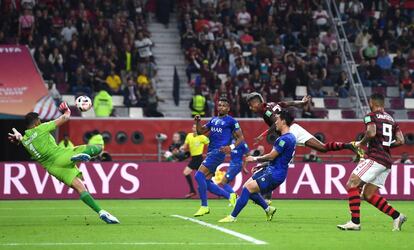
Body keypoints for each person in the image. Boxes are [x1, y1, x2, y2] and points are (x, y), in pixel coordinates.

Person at [7, 103, 119, 224]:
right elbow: (65, 118)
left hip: (53, 168)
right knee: (98, 148)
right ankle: (76, 158)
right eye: (39, 120)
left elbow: (21, 139)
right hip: (60, 157)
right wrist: (66, 110)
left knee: (80, 187)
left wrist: (18, 139)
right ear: (36, 122)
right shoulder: (41, 128)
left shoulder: (25, 141)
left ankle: (101, 212)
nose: (40, 122)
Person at [337, 93, 406, 231]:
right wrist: (385, 145)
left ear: (371, 102)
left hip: (375, 158)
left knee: (352, 183)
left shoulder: (371, 116)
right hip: (386, 161)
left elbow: (371, 133)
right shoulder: (392, 120)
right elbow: (401, 141)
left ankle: (355, 222)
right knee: (368, 195)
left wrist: (360, 143)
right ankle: (397, 216)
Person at [218, 110, 296, 222]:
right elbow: (279, 158)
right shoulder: (291, 137)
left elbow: (271, 156)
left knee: (248, 189)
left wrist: (254, 159)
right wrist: (262, 166)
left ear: (283, 121)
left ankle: (232, 217)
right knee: (247, 187)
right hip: (271, 169)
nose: (276, 122)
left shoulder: (285, 139)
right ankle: (268, 209)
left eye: (277, 119)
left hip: (275, 174)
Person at [193, 98, 244, 217]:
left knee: (198, 175)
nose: (220, 107)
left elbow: (241, 138)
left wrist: (231, 147)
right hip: (210, 152)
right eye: (219, 105)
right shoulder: (213, 120)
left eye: (223, 106)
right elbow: (200, 132)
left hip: (219, 152)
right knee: (206, 182)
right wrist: (197, 122)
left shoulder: (231, 121)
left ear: (228, 108)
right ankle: (230, 196)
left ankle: (204, 206)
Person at [180, 125, 210, 198]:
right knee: (204, 177)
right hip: (194, 158)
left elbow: (210, 144)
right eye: (193, 127)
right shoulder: (189, 135)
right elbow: (185, 145)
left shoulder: (202, 137)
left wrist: (211, 152)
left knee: (186, 172)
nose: (194, 129)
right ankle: (193, 191)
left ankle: (192, 191)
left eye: (196, 128)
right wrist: (182, 148)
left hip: (198, 158)